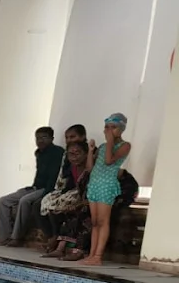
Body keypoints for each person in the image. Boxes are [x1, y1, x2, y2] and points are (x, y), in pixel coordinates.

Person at [0, 127, 64, 247]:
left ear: (52, 138)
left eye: (44, 137)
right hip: (35, 187)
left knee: (24, 200)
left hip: (47, 189)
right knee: (3, 201)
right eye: (38, 138)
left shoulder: (58, 152)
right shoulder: (39, 153)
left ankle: (16, 237)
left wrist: (46, 194)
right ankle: (4, 237)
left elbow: (54, 177)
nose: (40, 141)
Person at [82, 113, 131, 266]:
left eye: (113, 127)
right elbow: (89, 168)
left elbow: (109, 161)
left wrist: (110, 141)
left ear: (121, 129)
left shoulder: (124, 146)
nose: (109, 130)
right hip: (95, 184)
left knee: (103, 221)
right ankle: (91, 254)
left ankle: (98, 256)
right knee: (95, 222)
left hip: (107, 185)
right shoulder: (103, 147)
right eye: (106, 127)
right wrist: (90, 151)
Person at [40, 133, 90, 258]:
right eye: (71, 154)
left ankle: (76, 250)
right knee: (57, 210)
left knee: (74, 212)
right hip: (79, 198)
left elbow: (89, 194)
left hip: (91, 201)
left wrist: (78, 204)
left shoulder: (89, 170)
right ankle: (59, 246)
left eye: (77, 154)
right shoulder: (72, 168)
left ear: (86, 154)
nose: (74, 157)